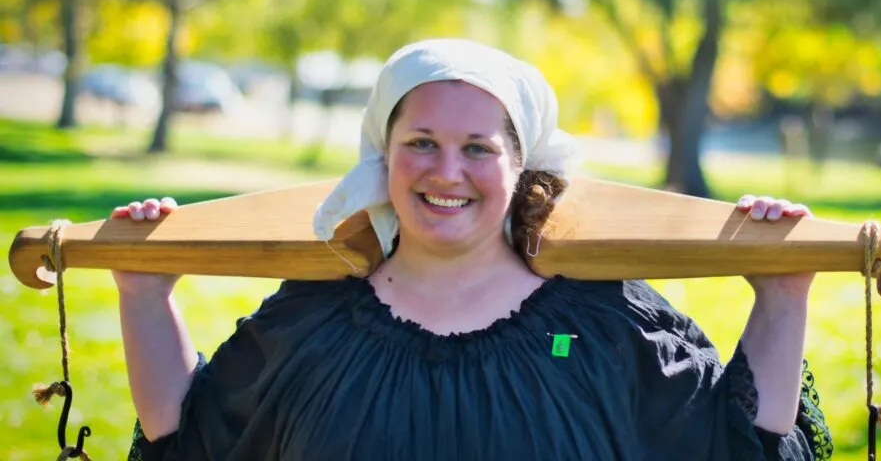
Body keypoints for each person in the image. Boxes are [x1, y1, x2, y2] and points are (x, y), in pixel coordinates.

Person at [113, 38, 833, 460]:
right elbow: (189, 439)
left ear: (522, 167)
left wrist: (783, 291)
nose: (445, 172)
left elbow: (738, 448)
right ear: (383, 157)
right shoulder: (313, 320)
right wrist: (144, 293)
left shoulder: (607, 320)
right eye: (420, 143)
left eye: (477, 149)